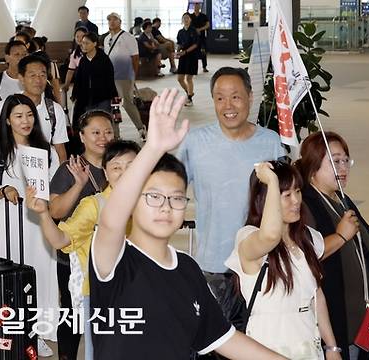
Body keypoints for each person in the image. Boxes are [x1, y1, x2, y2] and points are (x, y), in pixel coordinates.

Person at [90, 88, 285, 359]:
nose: (166, 207)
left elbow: (226, 339)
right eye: (155, 197)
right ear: (133, 199)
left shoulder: (188, 270)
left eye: (177, 198)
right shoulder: (116, 260)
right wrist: (154, 147)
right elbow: (111, 222)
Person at [177, 67, 285, 330]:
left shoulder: (271, 143)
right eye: (220, 97)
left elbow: (286, 202)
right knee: (217, 342)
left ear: (250, 96)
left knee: (260, 338)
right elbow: (172, 190)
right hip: (213, 265)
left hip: (263, 263)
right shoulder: (195, 142)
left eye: (236, 96)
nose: (228, 105)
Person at [225, 161, 341, 359]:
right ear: (265, 198)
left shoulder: (307, 238)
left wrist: (331, 347)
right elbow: (271, 236)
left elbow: (316, 295)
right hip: (269, 346)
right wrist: (271, 180)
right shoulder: (248, 238)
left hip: (308, 346)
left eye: (297, 191)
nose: (296, 200)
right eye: (286, 195)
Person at [0, 94, 60, 355]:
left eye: (29, 115)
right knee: (11, 273)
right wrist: (4, 191)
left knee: (42, 274)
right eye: (18, 116)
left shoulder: (45, 150)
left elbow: (56, 187)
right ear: (7, 120)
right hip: (10, 222)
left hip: (41, 222)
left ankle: (39, 333)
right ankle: (13, 330)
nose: (25, 121)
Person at [36, 111, 117, 360]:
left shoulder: (118, 165)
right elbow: (56, 211)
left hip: (111, 257)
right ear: (82, 136)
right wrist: (78, 184)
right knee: (73, 314)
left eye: (108, 132)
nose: (103, 138)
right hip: (73, 257)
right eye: (95, 132)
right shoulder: (70, 169)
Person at [296, 131, 369, 360]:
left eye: (346, 160)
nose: (343, 168)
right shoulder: (305, 205)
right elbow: (302, 255)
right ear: (313, 165)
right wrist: (341, 236)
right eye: (334, 161)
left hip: (358, 316)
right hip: (332, 321)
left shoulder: (341, 198)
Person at [0, 55, 69, 163]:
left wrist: (62, 178)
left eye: (42, 75)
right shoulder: (3, 107)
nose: (38, 80)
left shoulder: (55, 110)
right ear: (21, 78)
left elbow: (60, 150)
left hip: (43, 174)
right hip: (11, 174)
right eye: (32, 75)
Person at [103, 12, 145, 139]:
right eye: (109, 20)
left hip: (124, 76)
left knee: (127, 103)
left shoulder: (128, 37)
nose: (112, 22)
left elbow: (135, 58)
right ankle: (116, 134)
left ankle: (141, 128)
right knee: (113, 105)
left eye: (115, 19)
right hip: (110, 77)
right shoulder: (106, 39)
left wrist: (133, 75)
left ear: (120, 22)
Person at [72, 33, 118, 140]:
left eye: (87, 43)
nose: (83, 45)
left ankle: (109, 143)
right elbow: (79, 80)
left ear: (95, 44)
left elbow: (110, 79)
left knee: (104, 122)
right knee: (90, 123)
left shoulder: (104, 59)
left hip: (103, 98)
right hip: (87, 99)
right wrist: (75, 94)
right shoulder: (83, 60)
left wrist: (113, 96)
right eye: (82, 43)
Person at [177, 13, 201, 106]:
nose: (186, 19)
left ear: (190, 20)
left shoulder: (194, 31)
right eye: (184, 18)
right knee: (180, 78)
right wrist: (178, 51)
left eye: (187, 18)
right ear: (182, 20)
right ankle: (189, 93)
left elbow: (195, 45)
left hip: (192, 56)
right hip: (183, 56)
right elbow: (179, 43)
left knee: (189, 78)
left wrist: (185, 52)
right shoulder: (180, 32)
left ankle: (189, 99)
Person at [61, 27, 88, 94]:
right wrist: (66, 85)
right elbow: (70, 71)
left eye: (82, 36)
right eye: (77, 36)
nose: (79, 39)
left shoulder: (93, 50)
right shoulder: (75, 54)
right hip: (81, 83)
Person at [190, 3, 210, 73]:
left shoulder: (203, 16)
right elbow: (188, 25)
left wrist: (200, 29)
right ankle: (193, 67)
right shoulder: (190, 16)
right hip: (193, 37)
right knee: (193, 52)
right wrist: (195, 30)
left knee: (203, 51)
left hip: (202, 36)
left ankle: (204, 67)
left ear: (200, 7)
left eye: (198, 6)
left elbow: (207, 25)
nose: (196, 8)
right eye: (195, 6)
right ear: (193, 7)